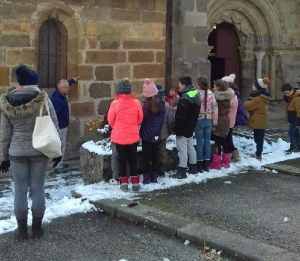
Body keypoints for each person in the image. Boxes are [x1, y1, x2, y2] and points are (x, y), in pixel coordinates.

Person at [0, 64, 61, 240]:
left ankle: (20, 231)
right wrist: (58, 151)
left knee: (19, 189)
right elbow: (54, 125)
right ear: (34, 81)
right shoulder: (44, 100)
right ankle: (36, 229)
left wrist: (3, 157)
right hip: (40, 149)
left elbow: (4, 133)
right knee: (37, 187)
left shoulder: (7, 102)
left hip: (17, 151)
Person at [108, 78, 143, 192]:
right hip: (133, 136)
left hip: (119, 136)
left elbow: (110, 120)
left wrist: (119, 127)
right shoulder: (136, 102)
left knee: (121, 160)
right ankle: (135, 183)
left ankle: (123, 184)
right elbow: (140, 119)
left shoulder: (115, 103)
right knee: (133, 159)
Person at [172, 76, 201, 179]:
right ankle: (193, 167)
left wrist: (178, 131)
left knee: (182, 150)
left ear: (184, 85)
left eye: (179, 84)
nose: (178, 86)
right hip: (191, 126)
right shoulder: (194, 94)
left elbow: (181, 117)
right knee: (190, 147)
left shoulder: (185, 99)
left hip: (184, 128)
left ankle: (182, 170)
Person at [51, 76, 80, 172]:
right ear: (61, 88)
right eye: (66, 88)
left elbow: (64, 84)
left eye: (68, 86)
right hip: (60, 126)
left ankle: (59, 163)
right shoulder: (57, 100)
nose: (68, 89)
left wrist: (72, 80)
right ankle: (58, 166)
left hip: (62, 124)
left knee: (61, 145)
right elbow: (54, 114)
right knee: (61, 146)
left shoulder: (59, 92)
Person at [140, 79, 166, 184]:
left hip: (146, 134)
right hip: (156, 133)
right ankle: (154, 177)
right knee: (155, 155)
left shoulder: (146, 106)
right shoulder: (162, 104)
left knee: (146, 156)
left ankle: (146, 178)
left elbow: (142, 119)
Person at [244, 77, 271, 161]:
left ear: (258, 87)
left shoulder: (258, 98)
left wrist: (248, 102)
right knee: (259, 137)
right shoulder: (261, 96)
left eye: (254, 85)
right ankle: (258, 153)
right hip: (261, 120)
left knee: (258, 138)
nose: (252, 86)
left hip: (258, 121)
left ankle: (258, 155)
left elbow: (246, 106)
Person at [195, 77, 218, 173]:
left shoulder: (196, 94)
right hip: (208, 119)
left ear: (199, 85)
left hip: (199, 120)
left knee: (199, 143)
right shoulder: (211, 94)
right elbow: (215, 108)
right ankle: (206, 164)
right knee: (207, 142)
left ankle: (199, 164)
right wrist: (214, 123)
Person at [210, 80, 234, 170]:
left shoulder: (215, 97)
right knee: (224, 139)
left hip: (218, 119)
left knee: (217, 141)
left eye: (215, 86)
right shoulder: (228, 96)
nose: (213, 88)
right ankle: (226, 162)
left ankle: (216, 163)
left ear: (218, 87)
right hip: (226, 119)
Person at [156, 85, 174, 177]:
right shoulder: (166, 105)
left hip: (152, 134)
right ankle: (161, 171)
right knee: (162, 152)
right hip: (163, 133)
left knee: (154, 152)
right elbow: (170, 119)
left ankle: (153, 170)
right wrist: (170, 130)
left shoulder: (149, 104)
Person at [221, 75, 240, 162]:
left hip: (227, 120)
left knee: (226, 139)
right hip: (230, 120)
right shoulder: (234, 95)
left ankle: (230, 155)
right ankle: (233, 154)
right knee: (228, 138)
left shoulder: (230, 96)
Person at [280, 83, 300, 154]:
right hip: (292, 118)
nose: (287, 95)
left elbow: (299, 110)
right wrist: (287, 97)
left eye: (288, 93)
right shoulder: (291, 97)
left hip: (295, 119)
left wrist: (298, 120)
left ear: (292, 90)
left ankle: (293, 147)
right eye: (285, 93)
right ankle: (298, 145)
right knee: (296, 133)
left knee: (291, 133)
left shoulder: (297, 98)